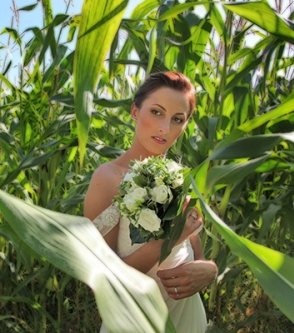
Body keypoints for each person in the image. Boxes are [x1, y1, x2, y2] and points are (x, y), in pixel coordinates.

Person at [84, 72, 218, 333]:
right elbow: (102, 280)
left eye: (177, 119)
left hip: (188, 319)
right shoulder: (108, 179)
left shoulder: (181, 179)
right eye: (157, 112)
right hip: (134, 322)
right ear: (135, 111)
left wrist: (209, 270)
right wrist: (167, 240)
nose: (164, 129)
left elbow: (197, 254)